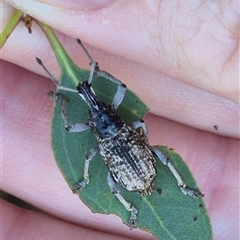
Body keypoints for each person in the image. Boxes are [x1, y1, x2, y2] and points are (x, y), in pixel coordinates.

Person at [1, 1, 239, 239]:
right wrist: (68, 96)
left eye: (100, 110)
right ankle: (136, 206)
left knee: (116, 181)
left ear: (110, 115)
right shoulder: (124, 127)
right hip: (131, 163)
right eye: (98, 111)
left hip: (132, 162)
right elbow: (129, 110)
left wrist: (74, 92)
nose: (97, 107)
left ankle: (146, 201)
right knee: (121, 181)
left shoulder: (109, 134)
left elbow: (77, 124)